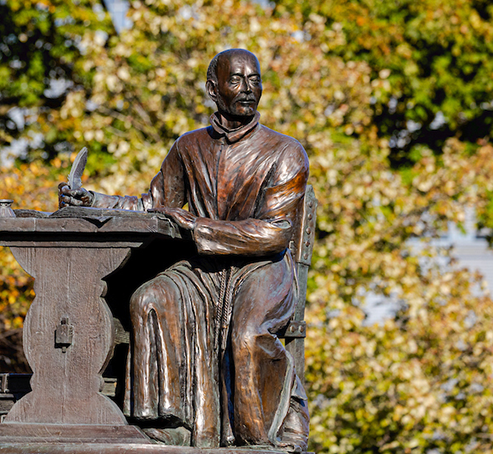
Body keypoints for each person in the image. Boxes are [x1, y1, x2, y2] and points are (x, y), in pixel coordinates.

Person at [59, 49, 309, 451]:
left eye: (255, 79)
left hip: (263, 268)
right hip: (204, 268)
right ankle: (169, 425)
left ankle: (257, 438)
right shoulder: (188, 146)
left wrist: (199, 226)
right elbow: (155, 204)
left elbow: (274, 234)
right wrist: (94, 200)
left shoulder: (285, 151)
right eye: (237, 80)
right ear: (213, 89)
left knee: (246, 335)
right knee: (149, 299)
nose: (248, 89)